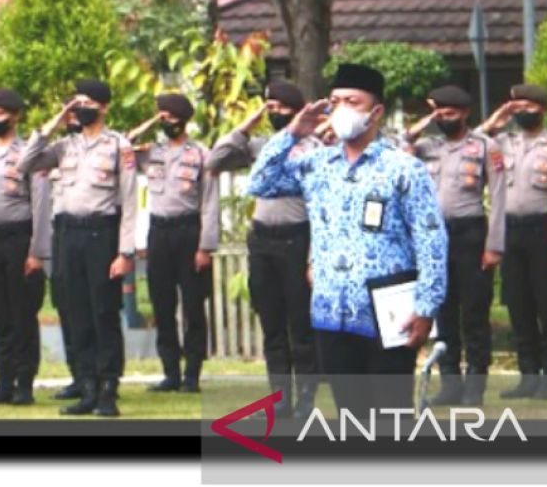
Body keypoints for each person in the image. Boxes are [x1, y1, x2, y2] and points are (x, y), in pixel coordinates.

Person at [247, 64, 448, 418]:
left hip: (389, 311)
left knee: (389, 415)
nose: (341, 109)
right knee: (350, 415)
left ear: (376, 111)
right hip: (332, 311)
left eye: (352, 101)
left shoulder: (403, 168)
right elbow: (261, 182)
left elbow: (431, 239)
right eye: (335, 101)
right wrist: (292, 133)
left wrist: (427, 305)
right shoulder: (317, 166)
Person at [16, 79, 137, 418]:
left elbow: (128, 202)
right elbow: (25, 164)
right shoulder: (64, 146)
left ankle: (108, 390)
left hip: (102, 235)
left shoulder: (118, 146)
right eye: (76, 102)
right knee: (76, 313)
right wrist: (54, 121)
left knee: (103, 313)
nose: (80, 107)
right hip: (67, 235)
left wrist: (125, 252)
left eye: (87, 102)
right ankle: (85, 388)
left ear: (104, 107)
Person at [205, 81, 321, 419]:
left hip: (297, 239)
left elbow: (319, 207)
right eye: (269, 108)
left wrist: (314, 256)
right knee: (271, 325)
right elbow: (215, 159)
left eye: (280, 108)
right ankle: (280, 401)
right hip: (262, 241)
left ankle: (305, 401)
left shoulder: (313, 148)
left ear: (298, 110)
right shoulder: (260, 145)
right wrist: (246, 125)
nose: (275, 113)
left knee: (299, 326)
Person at [403, 84, 505, 406]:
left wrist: (494, 246)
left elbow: (500, 198)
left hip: (470, 234)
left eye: (449, 114)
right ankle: (449, 383)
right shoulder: (426, 146)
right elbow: (397, 148)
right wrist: (419, 125)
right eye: (439, 113)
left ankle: (475, 384)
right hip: (434, 237)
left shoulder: (486, 147)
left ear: (464, 114)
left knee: (474, 311)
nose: (443, 119)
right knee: (441, 310)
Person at [127, 93, 219, 395]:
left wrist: (205, 247)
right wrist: (150, 122)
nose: (165, 122)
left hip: (189, 231)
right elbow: (123, 145)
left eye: (169, 117)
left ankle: (192, 373)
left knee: (193, 306)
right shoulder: (152, 152)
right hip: (159, 232)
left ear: (183, 120)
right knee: (162, 304)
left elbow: (209, 202)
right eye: (161, 117)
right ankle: (170, 372)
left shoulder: (201, 154)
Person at [478, 84, 547, 400]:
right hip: (510, 231)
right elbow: (473, 141)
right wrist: (499, 117)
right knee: (518, 305)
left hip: (544, 230)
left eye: (528, 107)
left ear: (543, 109)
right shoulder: (502, 143)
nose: (522, 113)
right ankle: (528, 376)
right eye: (517, 107)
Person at [0, 88, 52, 407]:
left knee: (22, 312)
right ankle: (3, 381)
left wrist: (36, 252)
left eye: (1, 114)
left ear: (15, 116)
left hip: (20, 237)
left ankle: (24, 383)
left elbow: (42, 204)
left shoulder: (28, 151)